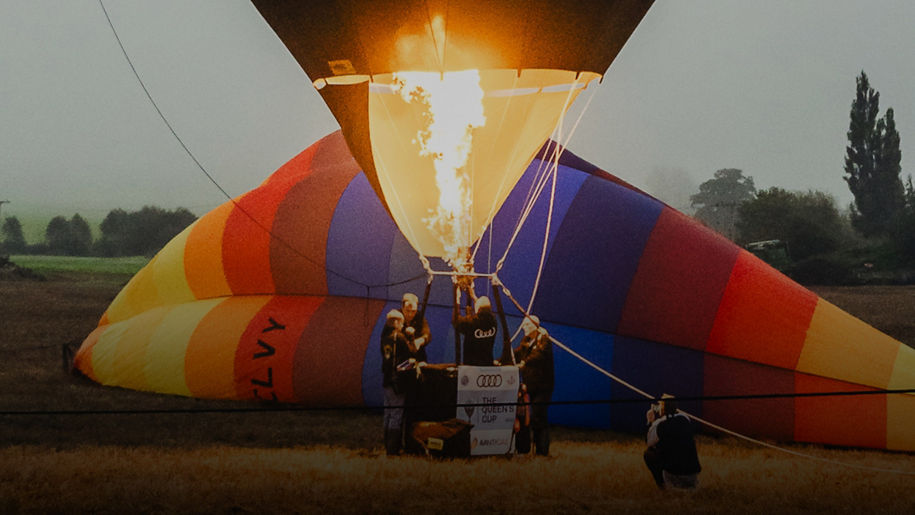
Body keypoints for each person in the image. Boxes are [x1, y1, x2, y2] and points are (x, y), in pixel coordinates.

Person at [514, 315, 554, 456]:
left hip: (543, 387)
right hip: (531, 385)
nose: (523, 327)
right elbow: (517, 353)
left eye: (526, 325)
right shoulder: (527, 340)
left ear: (534, 326)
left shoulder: (544, 341)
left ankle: (542, 451)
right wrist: (502, 359)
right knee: (530, 417)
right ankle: (529, 447)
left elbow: (539, 355)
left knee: (539, 417)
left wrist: (525, 363)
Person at [643, 394, 702, 490]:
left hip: (674, 474)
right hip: (692, 473)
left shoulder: (659, 425)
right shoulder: (685, 418)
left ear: (662, 408)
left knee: (648, 453)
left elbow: (649, 442)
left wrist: (650, 422)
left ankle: (662, 486)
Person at [380, 309, 410, 455]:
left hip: (386, 381)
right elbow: (406, 361)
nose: (403, 326)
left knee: (388, 414)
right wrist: (412, 364)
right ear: (397, 322)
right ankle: (393, 450)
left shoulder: (384, 338)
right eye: (402, 323)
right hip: (396, 383)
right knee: (396, 415)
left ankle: (386, 445)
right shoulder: (400, 338)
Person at [452, 285, 498, 367]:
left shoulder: (472, 323)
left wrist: (457, 300)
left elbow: (456, 321)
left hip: (472, 366)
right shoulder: (494, 322)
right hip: (487, 364)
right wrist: (474, 297)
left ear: (477, 308)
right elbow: (484, 309)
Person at [401, 292, 430, 362]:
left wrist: (420, 341)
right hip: (400, 359)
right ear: (402, 308)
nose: (410, 314)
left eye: (413, 311)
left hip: (418, 359)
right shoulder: (395, 317)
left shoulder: (419, 317)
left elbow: (427, 335)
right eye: (407, 311)